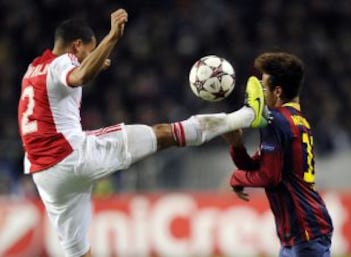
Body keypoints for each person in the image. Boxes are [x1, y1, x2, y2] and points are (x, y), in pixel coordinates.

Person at [17, 9, 268, 257]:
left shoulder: (33, 69)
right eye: (89, 51)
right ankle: (247, 115)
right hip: (73, 155)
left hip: (45, 176)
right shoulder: (64, 62)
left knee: (78, 252)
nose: (89, 56)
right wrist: (113, 37)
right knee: (163, 134)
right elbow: (80, 75)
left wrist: (92, 61)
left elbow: (64, 83)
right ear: (76, 45)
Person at [224, 52, 333, 257]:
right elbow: (258, 165)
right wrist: (236, 145)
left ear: (278, 91)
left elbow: (269, 176)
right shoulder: (297, 120)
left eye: (264, 87)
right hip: (302, 232)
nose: (261, 93)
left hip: (304, 234)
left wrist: (236, 177)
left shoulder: (275, 120)